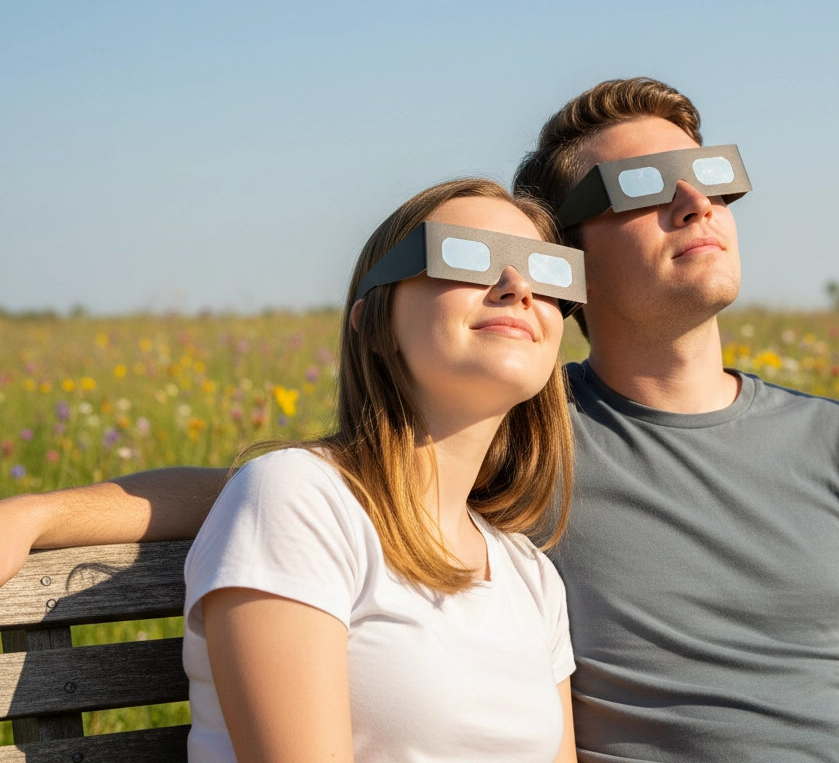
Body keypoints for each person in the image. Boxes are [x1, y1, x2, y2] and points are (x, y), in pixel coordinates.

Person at [3, 79, 839, 763]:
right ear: (574, 269)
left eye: (712, 178)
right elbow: (311, 489)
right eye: (638, 188)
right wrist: (47, 512)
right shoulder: (523, 455)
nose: (695, 204)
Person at [125, 177, 586, 762]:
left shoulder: (529, 576)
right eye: (465, 255)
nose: (517, 285)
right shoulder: (298, 499)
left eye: (546, 271)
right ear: (374, 323)